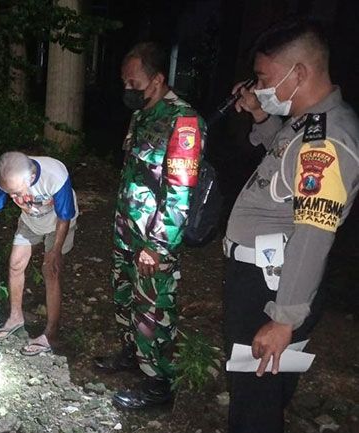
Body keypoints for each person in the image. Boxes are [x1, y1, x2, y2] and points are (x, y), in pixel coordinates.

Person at [224, 19, 359, 433]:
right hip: (266, 276)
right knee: (260, 388)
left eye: (264, 78)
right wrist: (262, 116)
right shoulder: (309, 123)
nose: (259, 85)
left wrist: (284, 318)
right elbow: (283, 166)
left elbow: (314, 232)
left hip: (274, 286)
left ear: (298, 73)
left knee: (254, 395)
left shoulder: (326, 141)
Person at [93, 42, 206, 410]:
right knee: (126, 295)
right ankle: (132, 353)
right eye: (124, 82)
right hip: (128, 230)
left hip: (154, 239)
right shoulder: (142, 114)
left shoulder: (183, 121)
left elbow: (179, 193)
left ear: (157, 79)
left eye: (134, 82)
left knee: (154, 309)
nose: (127, 89)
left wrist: (157, 245)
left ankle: (158, 385)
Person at [0, 151, 78, 356]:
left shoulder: (55, 176)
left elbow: (64, 218)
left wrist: (55, 251)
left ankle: (51, 333)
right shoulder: (1, 176)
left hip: (58, 222)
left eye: (17, 192)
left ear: (31, 178)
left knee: (51, 271)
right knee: (15, 264)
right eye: (10, 194)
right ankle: (15, 318)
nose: (15, 198)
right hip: (30, 220)